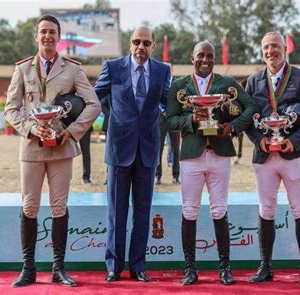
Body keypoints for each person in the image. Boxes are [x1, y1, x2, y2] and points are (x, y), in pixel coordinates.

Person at [4, 14, 101, 288]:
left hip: (61, 148)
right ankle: (28, 268)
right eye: (43, 31)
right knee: (29, 206)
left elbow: (94, 104)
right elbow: (10, 109)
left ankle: (59, 268)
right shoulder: (23, 69)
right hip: (32, 147)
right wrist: (31, 129)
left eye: (52, 32)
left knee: (59, 206)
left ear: (59, 37)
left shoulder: (72, 69)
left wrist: (70, 132)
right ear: (36, 36)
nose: (47, 36)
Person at [166, 41, 258, 286]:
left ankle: (225, 268)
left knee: (219, 209)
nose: (205, 60)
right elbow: (170, 120)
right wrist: (192, 119)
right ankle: (190, 268)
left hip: (219, 154)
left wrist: (232, 127)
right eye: (200, 56)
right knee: (190, 210)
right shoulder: (178, 86)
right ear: (192, 57)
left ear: (214, 58)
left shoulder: (226, 83)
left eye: (210, 56)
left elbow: (251, 107)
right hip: (192, 155)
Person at [244, 32, 300, 286]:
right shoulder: (253, 80)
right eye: (266, 47)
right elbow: (247, 117)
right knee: (266, 210)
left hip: (293, 153)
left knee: (298, 208)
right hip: (264, 155)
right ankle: (265, 267)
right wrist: (259, 140)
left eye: (276, 47)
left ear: (284, 49)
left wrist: (297, 139)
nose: (271, 51)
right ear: (262, 51)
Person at [94, 26, 171, 283]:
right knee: (116, 212)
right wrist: (115, 117)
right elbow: (97, 97)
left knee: (143, 212)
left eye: (146, 43)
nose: (141, 47)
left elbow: (168, 102)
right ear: (130, 44)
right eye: (137, 42)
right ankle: (114, 266)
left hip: (148, 150)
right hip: (118, 149)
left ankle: (138, 265)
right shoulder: (113, 67)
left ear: (153, 45)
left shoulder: (163, 70)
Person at [155, 105, 180, 185]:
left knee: (176, 148)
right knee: (158, 149)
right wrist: (162, 110)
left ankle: (176, 177)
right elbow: (156, 97)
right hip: (161, 117)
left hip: (174, 117)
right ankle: (157, 176)